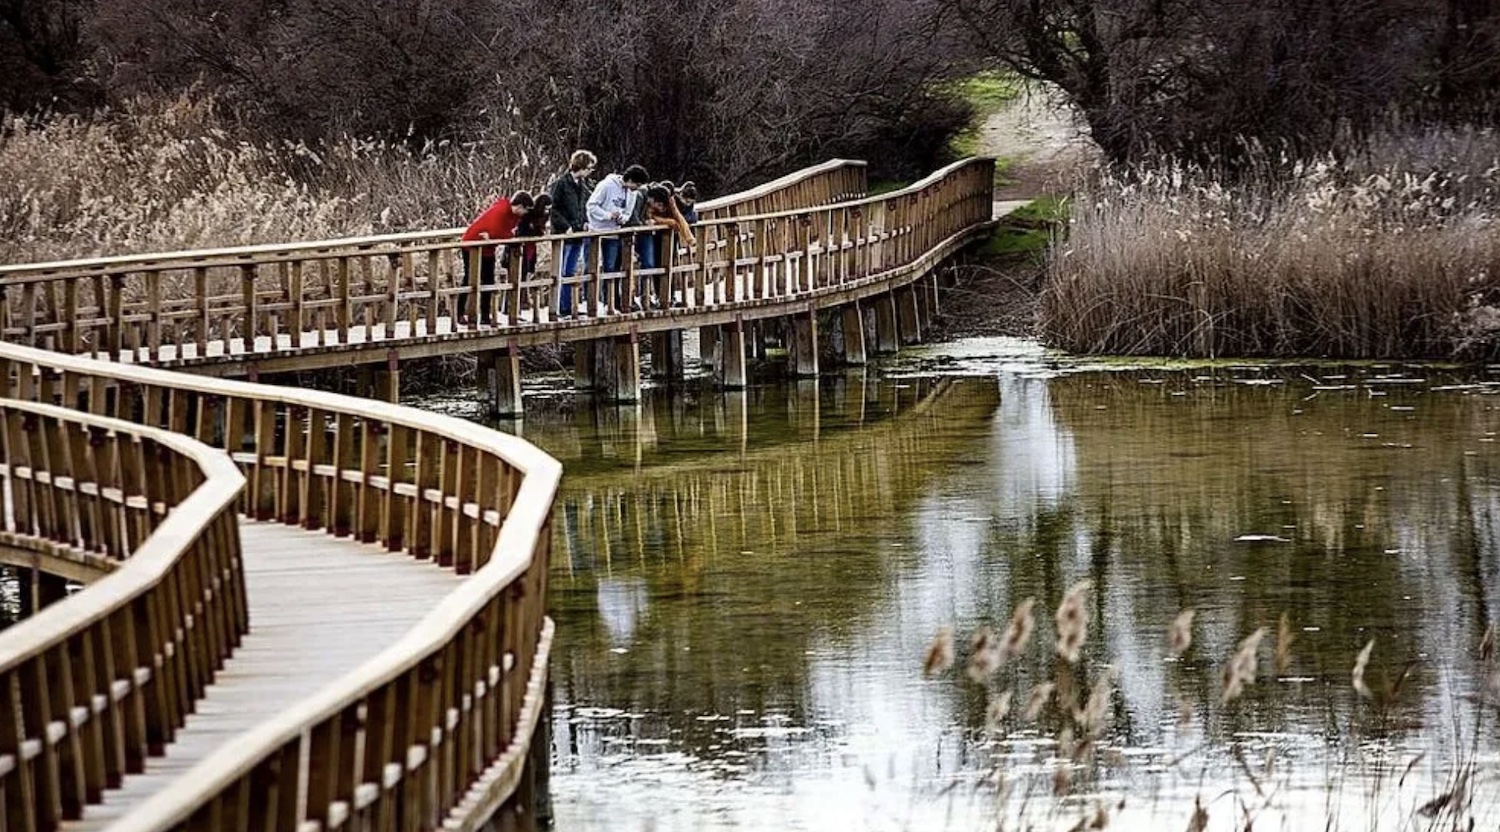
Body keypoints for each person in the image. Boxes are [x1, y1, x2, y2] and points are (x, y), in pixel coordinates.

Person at [459, 190, 533, 325]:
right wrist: (510, 239)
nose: (525, 213)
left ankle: (485, 316)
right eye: (525, 210)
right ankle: (460, 313)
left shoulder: (513, 216)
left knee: (489, 281)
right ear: (519, 206)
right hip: (472, 244)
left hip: (488, 248)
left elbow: (500, 234)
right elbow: (497, 232)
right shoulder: (501, 211)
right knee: (470, 279)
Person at [586, 163, 650, 312]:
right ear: (630, 179)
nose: (637, 188)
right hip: (597, 230)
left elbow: (628, 213)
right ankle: (601, 302)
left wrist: (623, 218)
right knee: (596, 267)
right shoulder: (607, 185)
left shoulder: (633, 193)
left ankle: (615, 301)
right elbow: (591, 205)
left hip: (615, 231)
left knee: (613, 267)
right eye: (637, 184)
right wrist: (607, 215)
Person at [548, 150, 596, 315]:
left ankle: (567, 306)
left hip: (577, 234)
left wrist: (585, 222)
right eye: (589, 167)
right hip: (563, 234)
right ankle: (560, 306)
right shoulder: (561, 184)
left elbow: (583, 206)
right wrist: (565, 226)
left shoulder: (583, 185)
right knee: (561, 270)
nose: (590, 171)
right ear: (580, 166)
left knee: (571, 270)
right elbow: (553, 209)